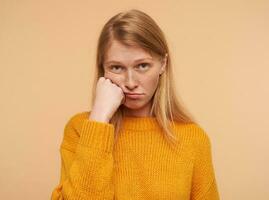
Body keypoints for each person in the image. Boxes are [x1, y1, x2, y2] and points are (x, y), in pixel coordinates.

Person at [51, 9, 220, 200]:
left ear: (163, 64)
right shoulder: (81, 129)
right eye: (116, 67)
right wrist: (98, 120)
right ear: (103, 69)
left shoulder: (193, 139)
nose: (130, 82)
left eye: (142, 66)